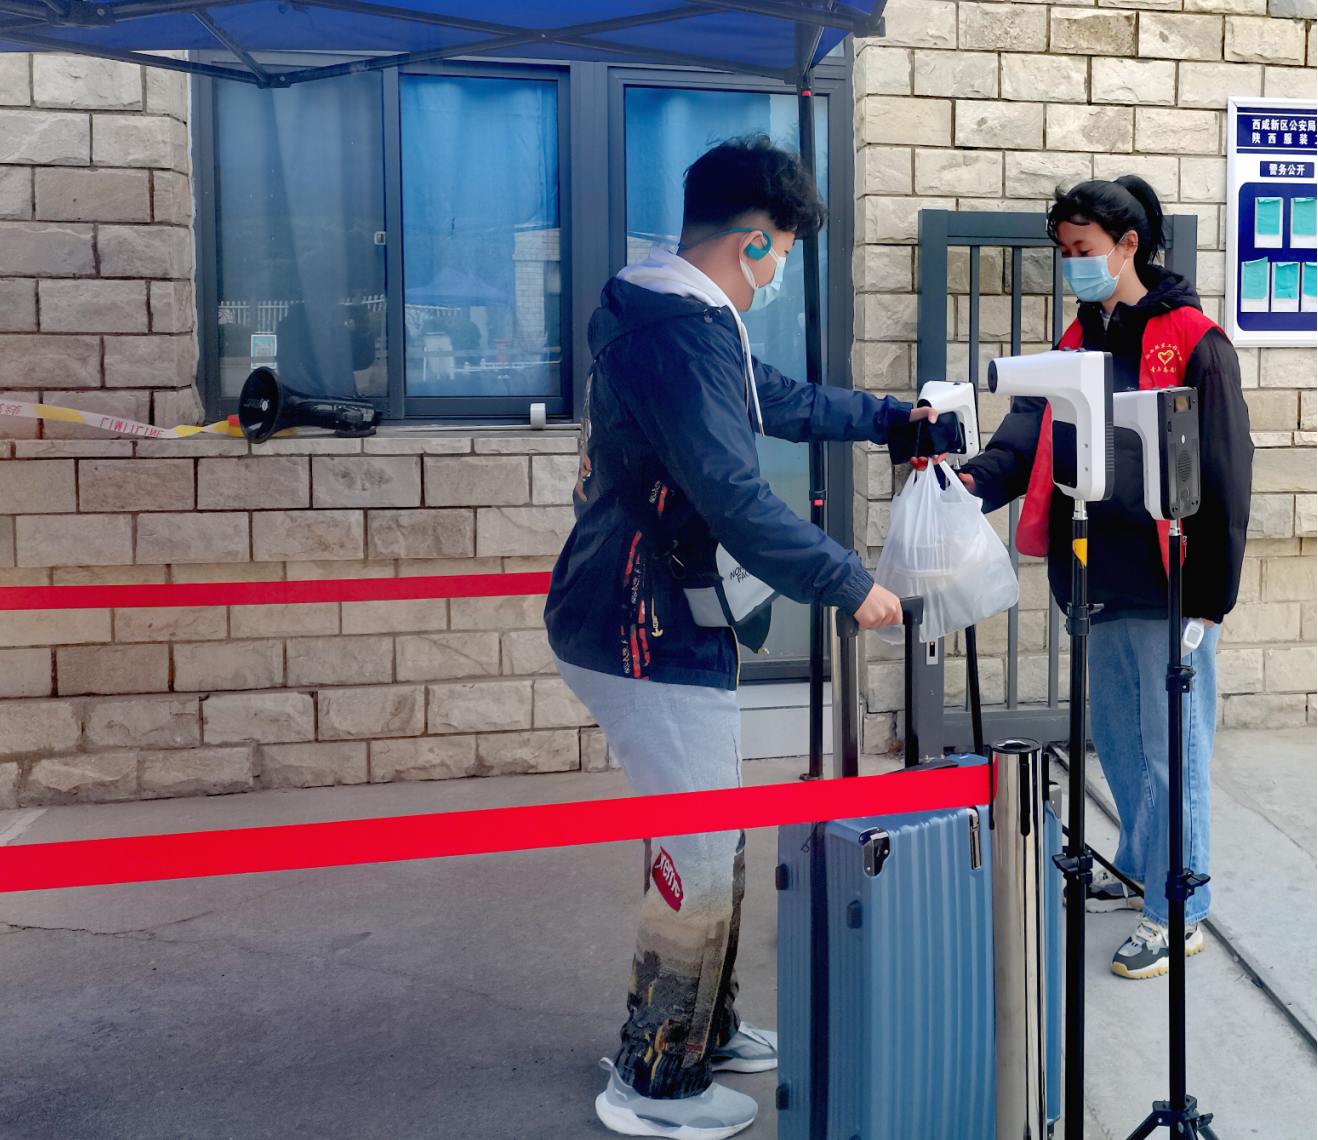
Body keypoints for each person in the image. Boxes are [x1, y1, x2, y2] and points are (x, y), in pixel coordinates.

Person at [544, 135, 937, 1139]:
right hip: (642, 626)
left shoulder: (679, 315)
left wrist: (890, 419)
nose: (778, 274)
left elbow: (778, 401)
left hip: (652, 612)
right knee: (699, 843)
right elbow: (732, 494)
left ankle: (702, 1031)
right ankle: (653, 1078)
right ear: (754, 241)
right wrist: (850, 582)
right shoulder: (676, 333)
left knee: (712, 832)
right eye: (783, 254)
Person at [957, 176, 1253, 980]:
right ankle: (1140, 869)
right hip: (1095, 574)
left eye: (1081, 250)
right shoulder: (1075, 340)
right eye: (1064, 252)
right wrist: (967, 483)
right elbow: (1026, 434)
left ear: (1127, 246)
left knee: (1171, 749)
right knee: (1121, 743)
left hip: (1168, 582)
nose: (1071, 266)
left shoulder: (1194, 340)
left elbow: (1226, 474)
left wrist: (1210, 601)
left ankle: (1180, 906)